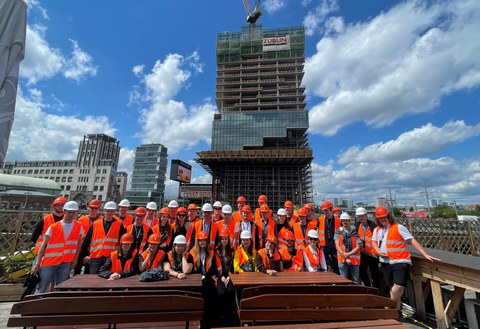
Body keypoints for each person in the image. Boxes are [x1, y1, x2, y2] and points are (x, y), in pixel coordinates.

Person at [372, 206, 440, 310]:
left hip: (400, 261)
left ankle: (390, 307)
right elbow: (374, 242)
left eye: (384, 217)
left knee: (398, 287)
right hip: (386, 262)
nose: (382, 219)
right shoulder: (377, 230)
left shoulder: (398, 227)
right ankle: (396, 311)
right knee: (393, 288)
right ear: (378, 219)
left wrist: (425, 254)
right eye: (380, 218)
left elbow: (411, 241)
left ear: (388, 216)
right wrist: (378, 251)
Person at [31, 201, 83, 294]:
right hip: (50, 261)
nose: (71, 214)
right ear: (64, 211)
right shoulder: (53, 227)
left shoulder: (79, 226)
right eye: (69, 212)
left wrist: (75, 259)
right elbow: (43, 246)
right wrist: (38, 264)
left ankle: (55, 306)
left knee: (61, 288)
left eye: (73, 212)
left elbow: (78, 244)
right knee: (42, 287)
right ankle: (37, 306)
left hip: (66, 262)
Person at [81, 201, 126, 274]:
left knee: (107, 280)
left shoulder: (119, 225)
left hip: (110, 258)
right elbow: (87, 241)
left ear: (114, 211)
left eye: (111, 211)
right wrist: (85, 255)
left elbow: (123, 242)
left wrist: (119, 256)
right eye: (108, 211)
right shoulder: (95, 224)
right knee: (93, 280)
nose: (109, 213)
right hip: (95, 257)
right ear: (104, 210)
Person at [190, 231, 222, 329]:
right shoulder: (192, 252)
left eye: (204, 240)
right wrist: (200, 276)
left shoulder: (212, 252)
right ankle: (200, 319)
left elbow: (213, 268)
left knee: (212, 294)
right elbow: (192, 268)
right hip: (196, 278)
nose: (202, 242)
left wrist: (206, 275)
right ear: (197, 242)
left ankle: (210, 320)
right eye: (201, 241)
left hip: (208, 278)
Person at [75, 199, 102, 275]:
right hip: (81, 248)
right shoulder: (81, 219)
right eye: (92, 208)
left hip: (94, 250)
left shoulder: (102, 220)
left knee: (88, 271)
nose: (93, 210)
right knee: (77, 270)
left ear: (99, 209)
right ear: (88, 208)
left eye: (96, 208)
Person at [355, 207, 380, 288]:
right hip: (362, 253)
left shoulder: (373, 226)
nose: (361, 218)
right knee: (362, 273)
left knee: (375, 274)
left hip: (373, 254)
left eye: (362, 216)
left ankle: (376, 290)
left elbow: (378, 239)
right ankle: (368, 287)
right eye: (359, 216)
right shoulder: (357, 225)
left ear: (366, 216)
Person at [215, 228, 235, 327]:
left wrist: (229, 277)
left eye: (226, 239)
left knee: (231, 291)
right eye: (222, 239)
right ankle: (221, 314)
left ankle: (230, 314)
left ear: (228, 239)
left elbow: (233, 267)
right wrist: (221, 277)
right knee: (221, 292)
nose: (224, 241)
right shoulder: (216, 252)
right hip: (219, 277)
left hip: (230, 277)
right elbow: (215, 268)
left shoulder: (232, 251)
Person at [334, 213, 361, 284]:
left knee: (356, 280)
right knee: (343, 279)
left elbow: (358, 247)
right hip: (342, 259)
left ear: (349, 221)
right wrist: (346, 257)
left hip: (354, 260)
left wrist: (348, 254)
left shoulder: (355, 233)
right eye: (343, 221)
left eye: (346, 220)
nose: (345, 222)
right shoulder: (338, 233)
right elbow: (337, 246)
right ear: (341, 221)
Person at [317, 200, 341, 274]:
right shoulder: (320, 219)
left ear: (331, 209)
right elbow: (317, 231)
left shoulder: (338, 220)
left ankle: (336, 282)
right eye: (324, 211)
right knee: (323, 266)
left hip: (334, 246)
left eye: (326, 210)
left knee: (336, 266)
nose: (325, 213)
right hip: (323, 246)